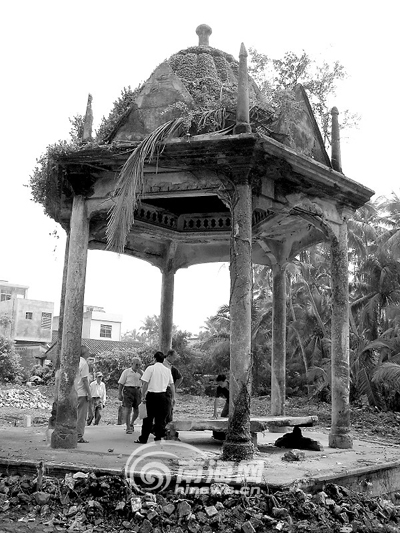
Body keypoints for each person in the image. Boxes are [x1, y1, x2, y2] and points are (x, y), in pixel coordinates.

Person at [135, 352, 175, 443]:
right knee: (160, 419)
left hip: (152, 396)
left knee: (148, 418)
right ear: (163, 360)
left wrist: (143, 395)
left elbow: (145, 383)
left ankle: (143, 438)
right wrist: (173, 397)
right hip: (163, 396)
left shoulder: (150, 368)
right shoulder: (167, 370)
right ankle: (158, 437)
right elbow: (172, 385)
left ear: (155, 359)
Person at [118, 357, 143, 434]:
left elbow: (145, 382)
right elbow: (121, 383)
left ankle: (132, 423)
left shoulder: (141, 372)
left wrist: (141, 374)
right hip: (128, 390)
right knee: (128, 409)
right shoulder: (126, 372)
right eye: (136, 364)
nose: (138, 366)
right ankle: (128, 427)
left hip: (138, 390)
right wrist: (119, 394)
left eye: (139, 365)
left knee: (137, 410)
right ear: (132, 364)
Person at [75, 345, 92, 443]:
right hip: (82, 392)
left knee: (75, 415)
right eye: (88, 351)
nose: (89, 353)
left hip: (75, 391)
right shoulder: (84, 363)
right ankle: (79, 435)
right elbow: (85, 380)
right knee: (81, 416)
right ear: (85, 353)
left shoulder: (76, 362)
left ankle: (74, 434)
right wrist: (89, 393)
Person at [164, 349, 183, 426]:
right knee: (166, 409)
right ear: (169, 356)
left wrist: (174, 388)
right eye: (174, 357)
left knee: (169, 409)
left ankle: (167, 426)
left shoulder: (171, 367)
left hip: (168, 389)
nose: (174, 359)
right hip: (163, 389)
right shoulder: (164, 365)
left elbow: (180, 378)